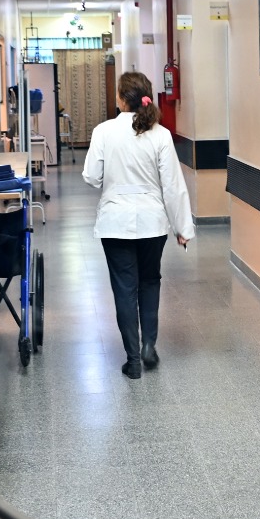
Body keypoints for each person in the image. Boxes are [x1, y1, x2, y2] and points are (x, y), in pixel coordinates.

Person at [82, 71, 196, 379]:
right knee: (149, 282)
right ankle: (149, 346)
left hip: (115, 223)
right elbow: (173, 185)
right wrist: (182, 228)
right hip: (152, 224)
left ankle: (132, 359)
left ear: (120, 99)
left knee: (124, 288)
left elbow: (91, 177)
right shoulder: (159, 135)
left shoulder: (104, 131)